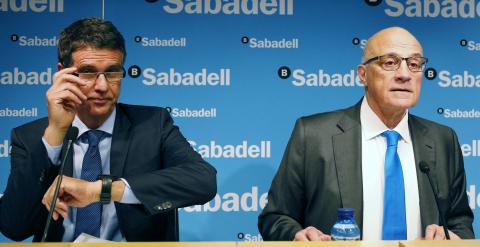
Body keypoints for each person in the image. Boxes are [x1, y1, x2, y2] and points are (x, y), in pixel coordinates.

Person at [0, 17, 217, 242]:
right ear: (62, 73)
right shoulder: (30, 137)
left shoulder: (153, 124)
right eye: (88, 72)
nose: (102, 86)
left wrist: (100, 190)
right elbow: (14, 227)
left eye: (112, 72)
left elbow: (203, 180)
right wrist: (55, 133)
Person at [258, 27, 474, 241]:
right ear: (363, 75)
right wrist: (297, 235)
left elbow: (460, 223)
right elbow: (276, 217)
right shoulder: (313, 135)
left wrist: (452, 238)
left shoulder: (443, 139)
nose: (405, 74)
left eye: (414, 64)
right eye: (390, 63)